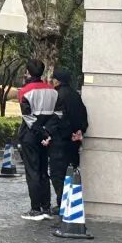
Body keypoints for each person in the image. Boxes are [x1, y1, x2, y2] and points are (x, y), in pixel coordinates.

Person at [17, 59, 59, 221]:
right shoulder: (52, 91)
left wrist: (41, 133)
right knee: (43, 171)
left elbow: (28, 118)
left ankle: (35, 209)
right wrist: (47, 134)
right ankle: (46, 207)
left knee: (32, 172)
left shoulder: (24, 91)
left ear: (28, 72)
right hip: (47, 136)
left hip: (30, 136)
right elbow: (57, 115)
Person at [47, 67, 89, 213]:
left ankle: (62, 204)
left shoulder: (57, 95)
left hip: (60, 141)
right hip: (74, 142)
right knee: (71, 172)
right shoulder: (75, 95)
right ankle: (70, 201)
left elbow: (57, 119)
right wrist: (80, 130)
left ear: (57, 81)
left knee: (57, 174)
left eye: (53, 78)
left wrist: (49, 134)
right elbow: (83, 115)